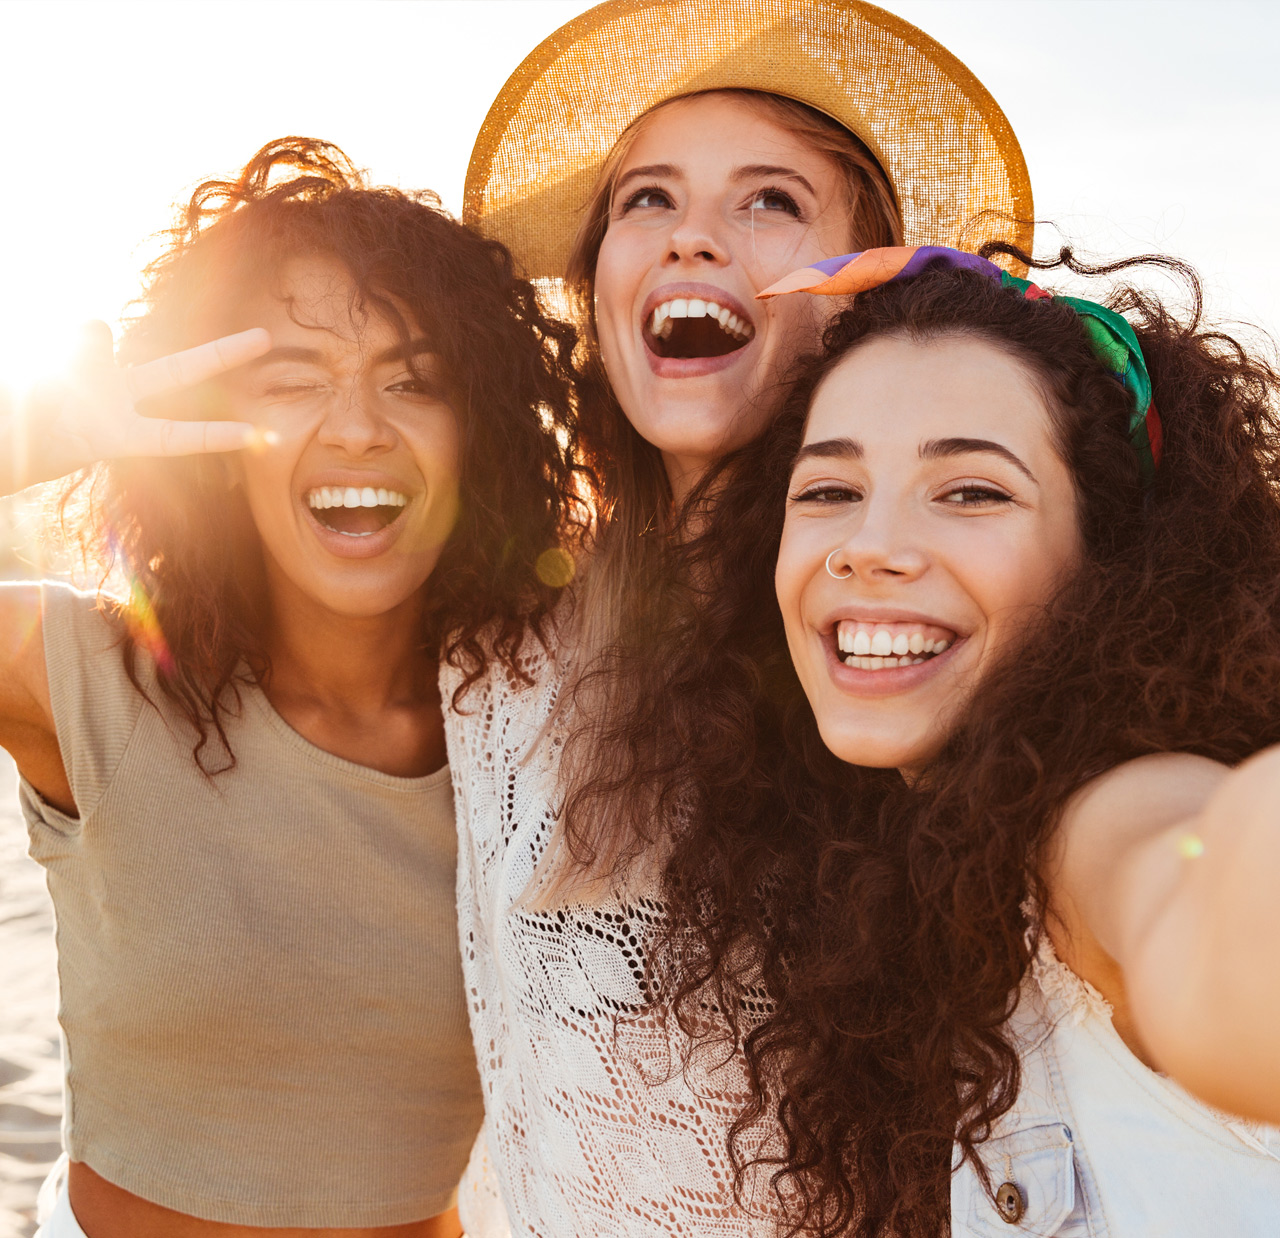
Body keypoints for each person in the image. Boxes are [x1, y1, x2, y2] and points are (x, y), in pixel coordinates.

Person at [446, 1, 1034, 1233]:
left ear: (873, 289)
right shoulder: (490, 647)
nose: (690, 238)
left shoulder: (915, 638)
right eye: (645, 200)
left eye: (769, 201)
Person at [613, 244, 1280, 1235]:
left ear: (1109, 560)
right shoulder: (913, 872)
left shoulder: (1100, 816)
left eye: (971, 491)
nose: (867, 543)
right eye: (829, 490)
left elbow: (1194, 906)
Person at [5, 137, 583, 1238]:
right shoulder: (88, 674)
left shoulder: (535, 727)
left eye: (414, 380)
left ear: (481, 435)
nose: (357, 426)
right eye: (294, 379)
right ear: (213, 438)